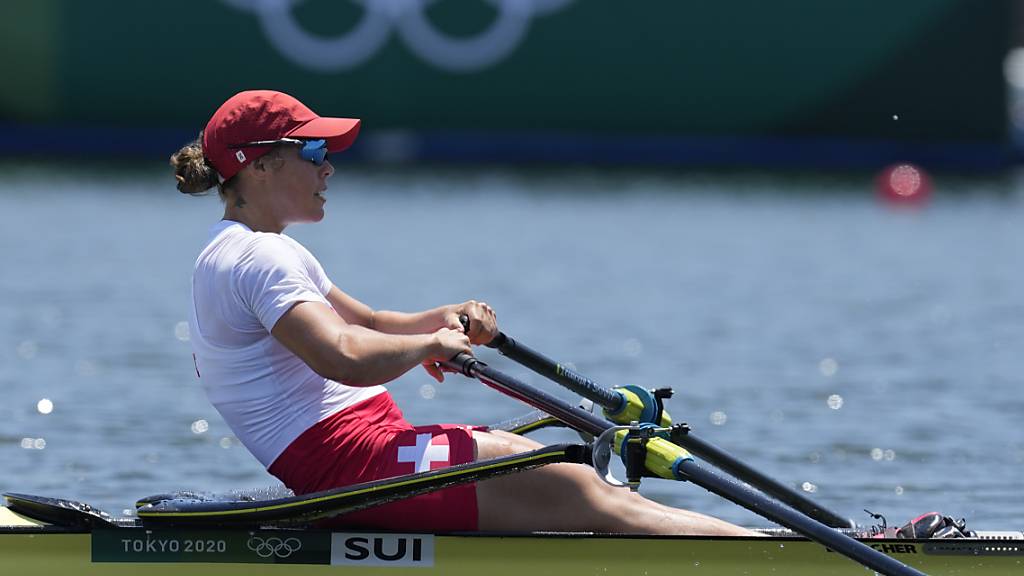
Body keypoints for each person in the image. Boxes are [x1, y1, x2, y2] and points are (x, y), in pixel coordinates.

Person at [170, 89, 757, 536]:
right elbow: (342, 356)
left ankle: (766, 547)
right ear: (261, 165)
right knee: (594, 496)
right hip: (356, 467)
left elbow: (369, 325)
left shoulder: (248, 250)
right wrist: (429, 347)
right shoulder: (260, 258)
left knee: (588, 484)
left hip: (370, 453)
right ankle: (786, 556)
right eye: (315, 151)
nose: (328, 169)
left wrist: (440, 319)